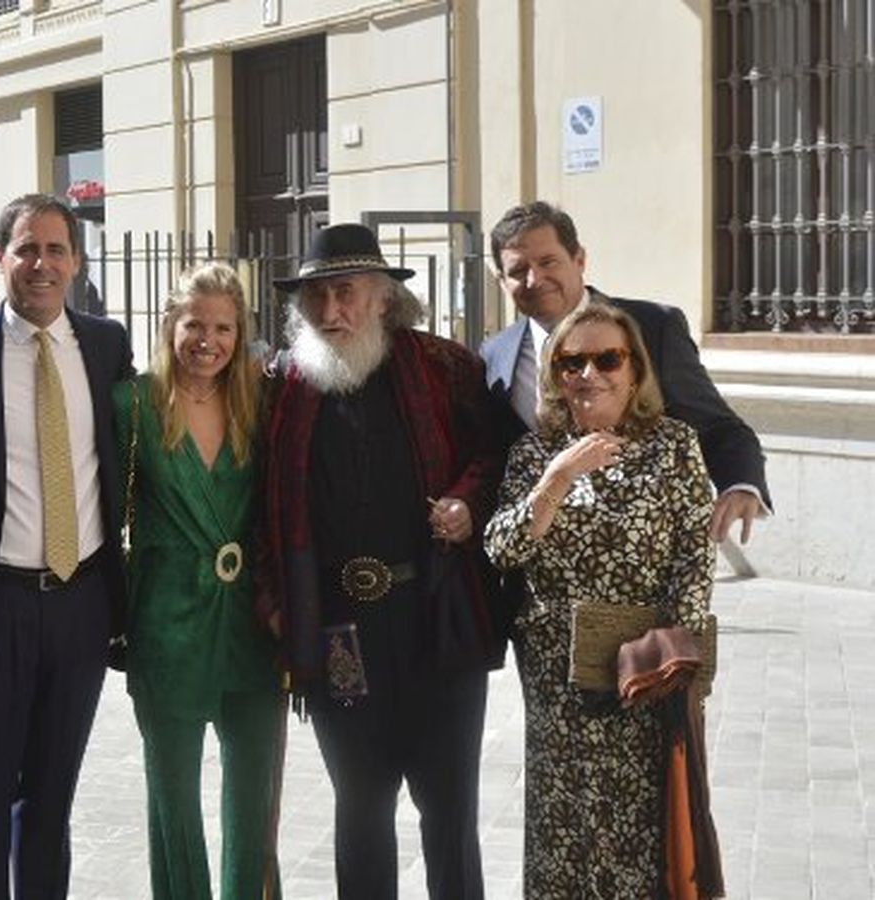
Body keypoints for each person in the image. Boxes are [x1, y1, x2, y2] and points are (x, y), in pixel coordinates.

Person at [256, 224, 503, 899]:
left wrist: (467, 502)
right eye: (314, 298)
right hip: (338, 632)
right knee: (361, 809)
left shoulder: (447, 368)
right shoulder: (283, 387)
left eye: (345, 293)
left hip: (436, 620)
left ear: (385, 298)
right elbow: (257, 501)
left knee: (449, 812)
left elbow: (495, 457)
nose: (329, 311)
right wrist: (273, 601)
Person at [0, 193, 133, 899]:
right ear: (0, 258)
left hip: (81, 606)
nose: (41, 264)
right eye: (26, 249)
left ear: (75, 262)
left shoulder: (106, 346)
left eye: (55, 250)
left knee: (51, 799)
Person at [484, 301, 717, 898]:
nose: (589, 374)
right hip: (559, 677)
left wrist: (670, 656)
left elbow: (694, 553)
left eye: (607, 359)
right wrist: (557, 479)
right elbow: (502, 549)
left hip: (645, 675)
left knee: (643, 829)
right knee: (565, 826)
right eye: (572, 362)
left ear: (634, 371)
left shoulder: (674, 446)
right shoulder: (535, 453)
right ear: (556, 375)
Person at [114, 262, 282, 899]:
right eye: (194, 325)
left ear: (241, 334)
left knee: (254, 794)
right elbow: (104, 512)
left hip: (251, 626)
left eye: (223, 328)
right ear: (169, 325)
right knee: (174, 799)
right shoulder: (131, 405)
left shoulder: (260, 404)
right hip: (167, 623)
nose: (207, 341)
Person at [481, 200, 769, 544]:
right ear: (501, 281)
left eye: (548, 262)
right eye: (517, 270)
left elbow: (718, 427)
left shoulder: (652, 328)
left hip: (640, 556)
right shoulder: (495, 355)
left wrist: (740, 484)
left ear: (579, 259)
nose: (534, 279)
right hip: (535, 560)